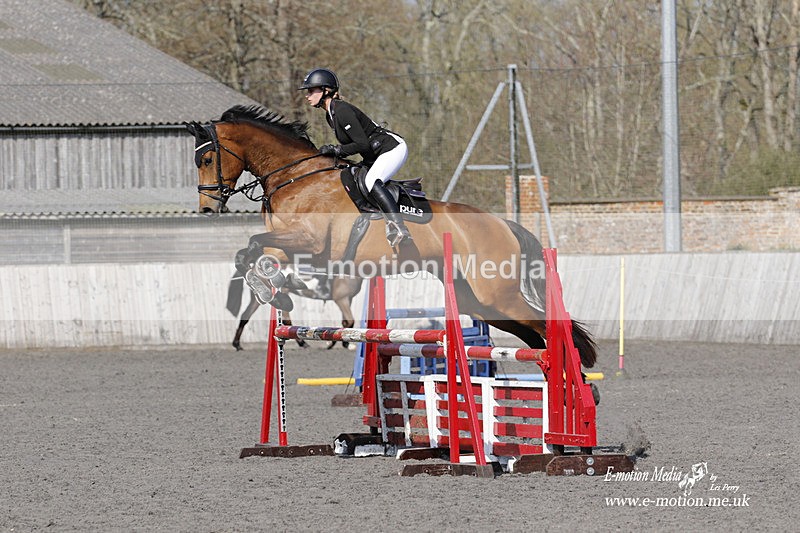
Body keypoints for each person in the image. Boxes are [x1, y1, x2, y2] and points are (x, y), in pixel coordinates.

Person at [299, 67, 412, 247]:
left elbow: (362, 145)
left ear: (326, 90)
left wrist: (336, 150)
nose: (307, 95)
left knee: (371, 181)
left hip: (392, 148)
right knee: (350, 175)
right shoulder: (331, 115)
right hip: (375, 153)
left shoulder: (342, 110)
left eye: (312, 90)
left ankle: (398, 227)